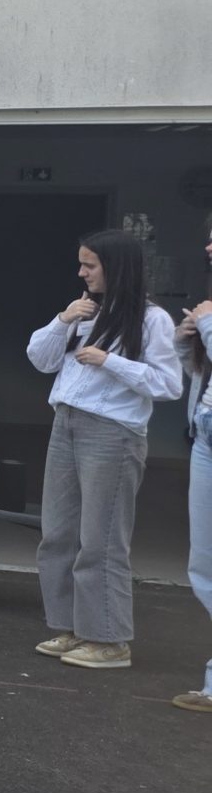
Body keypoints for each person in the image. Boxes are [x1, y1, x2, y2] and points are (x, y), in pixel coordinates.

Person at [27, 228, 182, 671]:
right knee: (57, 534)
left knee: (102, 539)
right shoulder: (84, 310)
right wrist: (63, 320)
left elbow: (169, 384)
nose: (82, 272)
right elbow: (40, 359)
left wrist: (109, 361)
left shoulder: (151, 320)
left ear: (116, 267)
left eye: (89, 265)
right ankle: (71, 627)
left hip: (113, 433)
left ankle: (109, 640)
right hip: (66, 423)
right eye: (81, 264)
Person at [178, 230, 212, 713]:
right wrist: (187, 343)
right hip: (204, 437)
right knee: (203, 563)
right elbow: (199, 375)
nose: (208, 248)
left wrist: (206, 325)